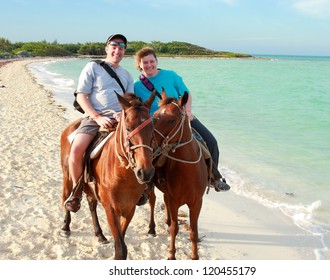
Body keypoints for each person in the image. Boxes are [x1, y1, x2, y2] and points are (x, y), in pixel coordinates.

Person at [134, 47, 230, 192]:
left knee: (211, 141)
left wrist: (189, 111)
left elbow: (187, 94)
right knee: (147, 153)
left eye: (152, 61)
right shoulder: (137, 85)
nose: (149, 65)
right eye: (145, 63)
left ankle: (212, 177)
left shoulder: (171, 75)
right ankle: (145, 188)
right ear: (139, 65)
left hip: (181, 117)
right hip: (157, 124)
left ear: (156, 61)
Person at [64, 34, 134, 212]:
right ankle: (77, 191)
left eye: (121, 47)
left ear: (124, 51)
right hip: (95, 118)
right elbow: (81, 96)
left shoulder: (126, 75)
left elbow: (130, 101)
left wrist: (122, 114)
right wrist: (97, 117)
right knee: (76, 150)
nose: (117, 50)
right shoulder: (92, 67)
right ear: (107, 48)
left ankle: (142, 188)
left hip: (120, 119)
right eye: (114, 46)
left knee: (142, 147)